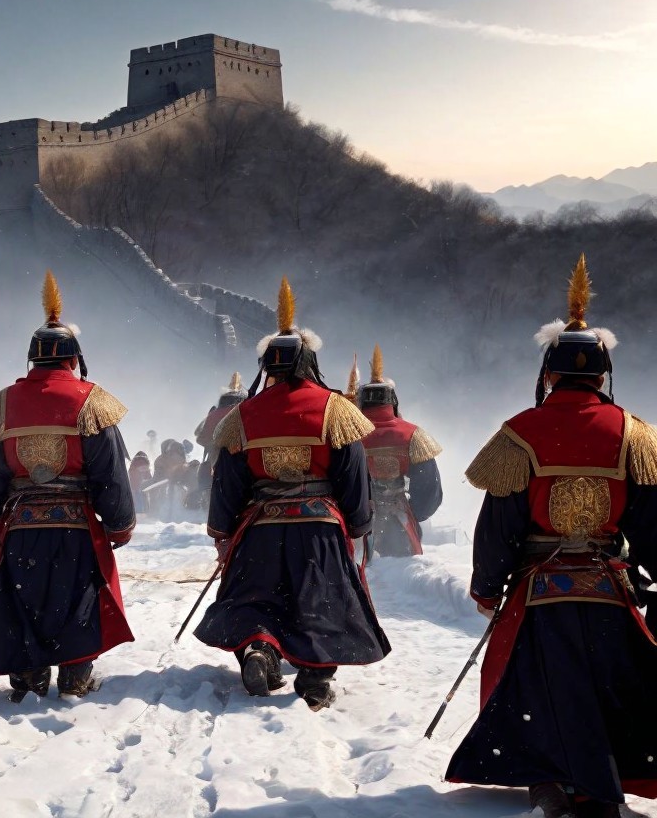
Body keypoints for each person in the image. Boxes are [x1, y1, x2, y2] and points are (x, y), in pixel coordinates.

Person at [445, 255, 657, 818]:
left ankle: (553, 776)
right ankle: (599, 778)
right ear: (603, 374)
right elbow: (652, 523)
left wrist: (489, 584)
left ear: (549, 372)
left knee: (533, 687)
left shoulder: (520, 434)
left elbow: (500, 525)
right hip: (609, 589)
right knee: (612, 686)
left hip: (540, 591)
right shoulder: (635, 435)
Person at [193, 276, 389, 710]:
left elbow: (227, 480)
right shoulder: (336, 408)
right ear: (310, 362)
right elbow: (353, 474)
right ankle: (316, 678)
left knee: (258, 596)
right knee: (319, 601)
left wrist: (222, 531)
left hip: (260, 527)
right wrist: (359, 524)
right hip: (318, 527)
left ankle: (262, 649)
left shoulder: (242, 416)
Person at [0, 271, 135, 702]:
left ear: (32, 359)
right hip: (75, 528)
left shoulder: (0, 405)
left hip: (22, 528)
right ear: (73, 360)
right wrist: (119, 525)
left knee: (23, 598)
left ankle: (30, 670)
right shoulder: (93, 403)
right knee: (77, 599)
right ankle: (74, 673)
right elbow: (110, 474)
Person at [354, 345, 443, 558]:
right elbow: (430, 489)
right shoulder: (413, 435)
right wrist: (414, 513)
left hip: (359, 525)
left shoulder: (349, 435)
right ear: (392, 400)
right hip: (400, 526)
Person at [189, 372, 248, 509]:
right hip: (241, 453)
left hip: (217, 457)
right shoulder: (245, 410)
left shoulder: (214, 413)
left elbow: (200, 437)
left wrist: (215, 442)